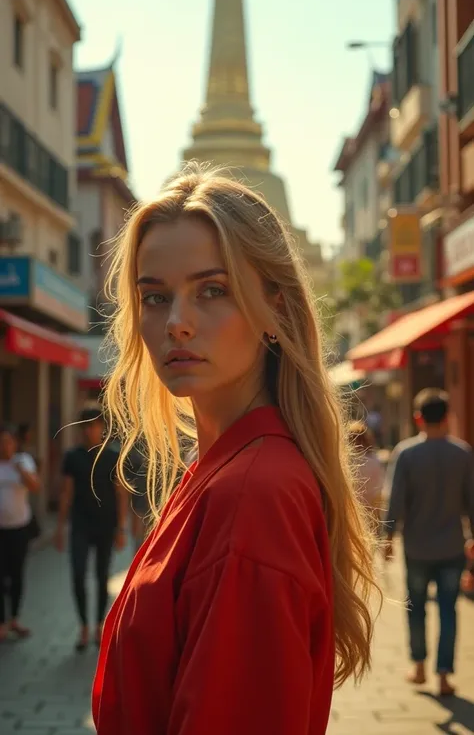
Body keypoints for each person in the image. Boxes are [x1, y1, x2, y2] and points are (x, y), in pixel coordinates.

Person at [92, 163, 378, 735]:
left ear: (274, 307)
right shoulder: (224, 471)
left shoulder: (253, 492)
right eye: (154, 297)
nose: (176, 323)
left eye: (213, 291)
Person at [385, 388, 474, 696]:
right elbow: (472, 503)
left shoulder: (406, 454)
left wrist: (387, 539)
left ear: (418, 418)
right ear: (448, 417)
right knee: (449, 610)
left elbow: (395, 502)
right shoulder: (462, 453)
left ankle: (419, 665)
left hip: (417, 546)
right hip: (452, 545)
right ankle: (445, 674)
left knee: (416, 607)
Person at [54, 407, 129, 651]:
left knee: (101, 578)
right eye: (85, 425)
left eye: (94, 425)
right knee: (77, 575)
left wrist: (120, 529)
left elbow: (120, 494)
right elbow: (66, 493)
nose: (89, 430)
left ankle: (98, 626)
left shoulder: (111, 456)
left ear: (101, 428)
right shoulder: (72, 456)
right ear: (80, 428)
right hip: (80, 525)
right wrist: (59, 528)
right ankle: (84, 626)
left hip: (106, 525)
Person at [0, 424, 40, 641]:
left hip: (19, 529)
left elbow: (35, 486)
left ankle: (14, 618)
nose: (5, 446)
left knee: (16, 575)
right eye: (1, 442)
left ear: (15, 443)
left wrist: (20, 470)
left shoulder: (23, 461)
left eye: (8, 441)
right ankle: (1, 623)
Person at [348, 421, 384, 535]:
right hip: (370, 513)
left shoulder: (346, 463)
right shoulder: (375, 461)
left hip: (351, 514)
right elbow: (378, 491)